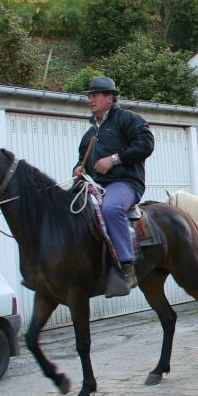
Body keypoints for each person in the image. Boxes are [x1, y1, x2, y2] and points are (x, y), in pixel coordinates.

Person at [73, 76, 155, 297]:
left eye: (95, 95)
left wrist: (114, 160)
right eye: (89, 96)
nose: (90, 100)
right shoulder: (90, 134)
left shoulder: (128, 119)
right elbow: (83, 162)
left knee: (111, 208)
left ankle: (127, 267)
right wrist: (78, 169)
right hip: (97, 187)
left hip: (125, 183)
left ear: (109, 98)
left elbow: (146, 145)